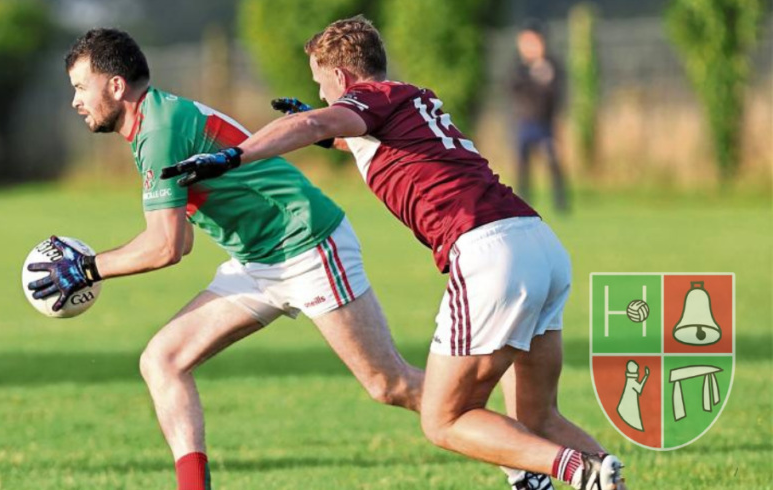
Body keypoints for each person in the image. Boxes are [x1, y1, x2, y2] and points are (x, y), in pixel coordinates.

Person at [166, 16, 627, 490]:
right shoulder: (410, 98)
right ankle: (600, 475)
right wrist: (327, 133)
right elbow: (352, 135)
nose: (323, 94)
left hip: (489, 254)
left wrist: (233, 155)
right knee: (538, 417)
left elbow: (317, 120)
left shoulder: (366, 100)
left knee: (443, 419)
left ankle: (576, 470)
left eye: (322, 83)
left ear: (341, 77)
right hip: (538, 243)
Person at [27, 28, 424, 490]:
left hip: (307, 243)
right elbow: (175, 243)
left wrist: (87, 269)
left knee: (389, 385)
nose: (75, 101)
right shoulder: (153, 122)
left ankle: (510, 448)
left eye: (80, 87)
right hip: (258, 260)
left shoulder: (158, 130)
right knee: (164, 359)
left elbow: (168, 246)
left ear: (115, 86)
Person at [508, 20, 569, 213]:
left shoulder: (551, 66)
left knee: (553, 161)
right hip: (525, 122)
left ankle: (561, 203)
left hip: (546, 123)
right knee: (522, 165)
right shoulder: (519, 69)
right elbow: (513, 90)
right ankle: (523, 203)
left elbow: (557, 94)